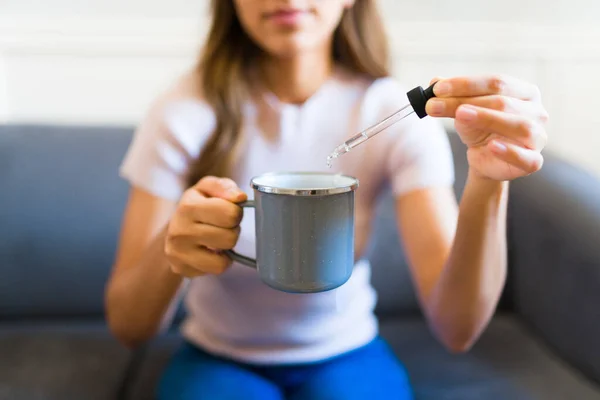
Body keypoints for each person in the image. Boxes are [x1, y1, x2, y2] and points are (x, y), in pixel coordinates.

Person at [104, 0, 549, 399]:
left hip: (347, 353)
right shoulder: (184, 109)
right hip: (216, 356)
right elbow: (128, 327)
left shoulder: (389, 112)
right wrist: (174, 245)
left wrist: (489, 180)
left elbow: (457, 328)